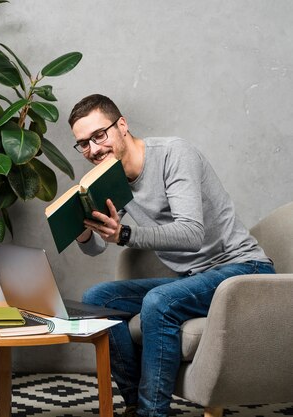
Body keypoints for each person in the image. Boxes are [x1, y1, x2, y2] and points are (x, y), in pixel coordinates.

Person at [68, 94, 274, 417]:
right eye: (83, 144)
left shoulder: (174, 155)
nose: (93, 149)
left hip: (243, 269)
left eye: (99, 135)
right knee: (96, 300)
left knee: (158, 303)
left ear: (122, 125)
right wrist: (82, 230)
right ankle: (136, 404)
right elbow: (97, 245)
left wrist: (124, 234)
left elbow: (191, 234)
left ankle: (153, 412)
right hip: (197, 278)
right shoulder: (112, 178)